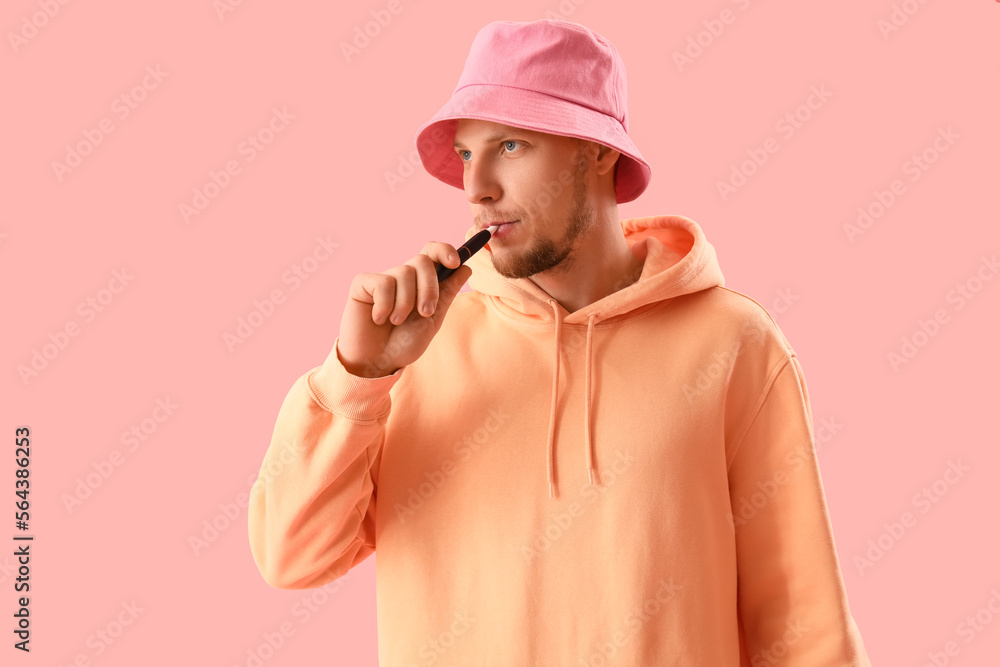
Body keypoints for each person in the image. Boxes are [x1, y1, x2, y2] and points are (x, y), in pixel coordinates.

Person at [248, 18, 872, 665]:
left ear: (598, 152)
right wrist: (357, 377)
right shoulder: (411, 350)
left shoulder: (736, 344)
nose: (476, 186)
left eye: (511, 145)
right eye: (467, 153)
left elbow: (806, 630)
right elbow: (290, 557)